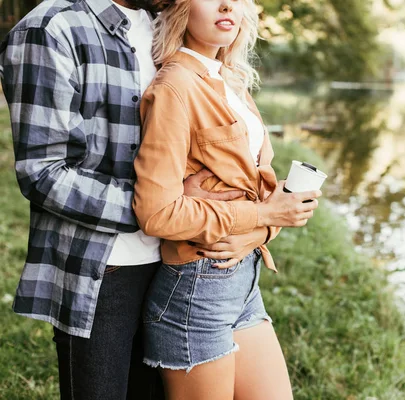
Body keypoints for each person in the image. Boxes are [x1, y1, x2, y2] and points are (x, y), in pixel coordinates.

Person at [0, 0, 278, 398]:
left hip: (176, 263)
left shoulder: (161, 25)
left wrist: (251, 223)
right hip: (103, 269)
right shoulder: (52, 28)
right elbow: (43, 173)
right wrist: (160, 206)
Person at [131, 0, 321, 399]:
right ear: (182, 9)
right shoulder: (175, 86)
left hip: (244, 284)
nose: (226, 5)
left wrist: (263, 228)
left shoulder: (231, 81)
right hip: (195, 291)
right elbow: (157, 212)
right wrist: (264, 214)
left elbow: (259, 189)